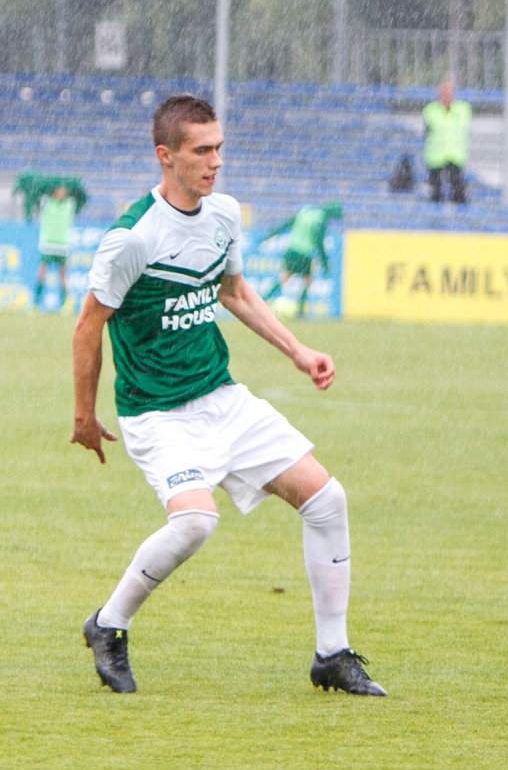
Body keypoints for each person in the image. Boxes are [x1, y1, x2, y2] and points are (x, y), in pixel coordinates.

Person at [71, 94, 384, 697]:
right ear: (166, 157)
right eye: (202, 150)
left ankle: (332, 653)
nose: (216, 161)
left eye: (220, 148)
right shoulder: (132, 236)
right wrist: (84, 415)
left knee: (327, 499)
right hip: (157, 412)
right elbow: (89, 324)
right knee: (194, 522)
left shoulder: (223, 215)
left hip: (222, 398)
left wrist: (297, 351)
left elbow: (233, 291)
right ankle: (109, 625)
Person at [263, 201, 342, 319]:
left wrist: (272, 233)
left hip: (291, 250)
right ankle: (300, 312)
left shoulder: (305, 211)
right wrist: (324, 262)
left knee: (285, 277)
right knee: (307, 281)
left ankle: (262, 301)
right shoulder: (320, 219)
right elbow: (319, 242)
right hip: (304, 252)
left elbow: (287, 223)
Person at [21, 175, 86, 313]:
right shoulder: (46, 202)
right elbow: (35, 195)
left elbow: (81, 199)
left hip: (62, 245)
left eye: (64, 191)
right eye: (59, 190)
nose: (62, 193)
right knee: (42, 272)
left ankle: (65, 305)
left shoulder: (70, 204)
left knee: (63, 274)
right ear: (54, 191)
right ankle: (36, 304)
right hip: (48, 243)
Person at [423, 79, 471, 204]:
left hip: (455, 154)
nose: (446, 94)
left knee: (459, 191)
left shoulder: (463, 109)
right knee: (436, 192)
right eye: (443, 91)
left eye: (449, 91)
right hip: (436, 155)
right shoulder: (430, 110)